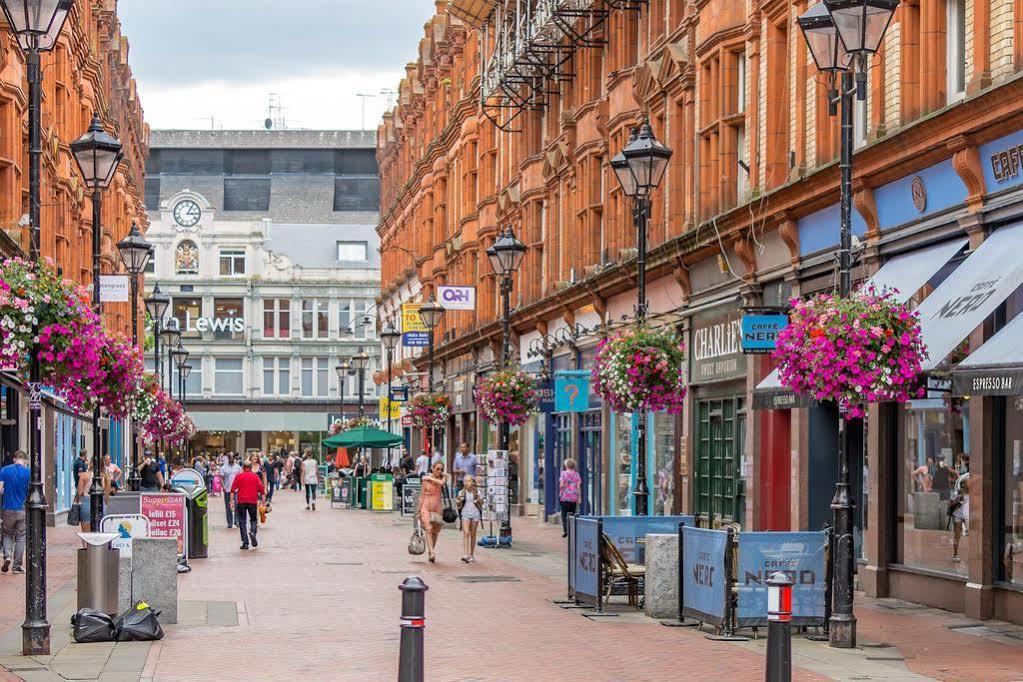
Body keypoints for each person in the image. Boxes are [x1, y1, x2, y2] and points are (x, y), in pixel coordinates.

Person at [0, 451, 30, 574]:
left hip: (8, 508)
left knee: (7, 534)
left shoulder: (4, 470)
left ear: (14, 459)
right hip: (22, 509)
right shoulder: (28, 472)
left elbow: (0, 489)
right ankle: (17, 566)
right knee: (21, 537)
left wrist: (4, 492)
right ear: (25, 460)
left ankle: (7, 556)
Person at [417, 460, 448, 563]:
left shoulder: (443, 477)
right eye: (437, 468)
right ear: (433, 468)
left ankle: (431, 551)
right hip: (426, 505)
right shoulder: (425, 480)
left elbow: (442, 483)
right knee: (428, 528)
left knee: (435, 530)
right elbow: (421, 496)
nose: (439, 471)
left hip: (437, 506)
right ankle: (432, 551)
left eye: (441, 469)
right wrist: (418, 510)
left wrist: (429, 477)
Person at [230, 461, 264, 550]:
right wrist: (263, 503)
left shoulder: (239, 476)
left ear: (243, 467)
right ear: (251, 467)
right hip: (252, 501)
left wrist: (231, 501)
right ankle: (253, 532)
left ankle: (245, 542)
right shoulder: (255, 476)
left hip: (241, 501)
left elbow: (233, 489)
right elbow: (262, 490)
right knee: (253, 519)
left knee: (242, 521)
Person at [457, 474, 483, 563]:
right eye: (465, 481)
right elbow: (458, 505)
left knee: (473, 534)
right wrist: (459, 501)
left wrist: (479, 501)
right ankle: (466, 554)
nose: (466, 483)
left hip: (475, 514)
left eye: (468, 481)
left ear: (473, 482)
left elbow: (481, 503)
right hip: (465, 514)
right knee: (466, 533)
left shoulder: (477, 492)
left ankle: (471, 554)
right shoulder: (461, 492)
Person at [558, 458, 582, 538]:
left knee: (564, 514)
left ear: (566, 465)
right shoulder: (577, 475)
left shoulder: (563, 474)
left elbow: (561, 485)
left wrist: (564, 486)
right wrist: (579, 498)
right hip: (573, 497)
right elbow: (578, 487)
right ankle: (571, 530)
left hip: (564, 497)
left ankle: (566, 530)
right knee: (572, 514)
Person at [220, 455, 242, 529]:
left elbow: (241, 477)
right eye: (230, 458)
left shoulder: (238, 467)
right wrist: (223, 487)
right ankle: (229, 522)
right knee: (228, 506)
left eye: (233, 457)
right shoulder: (223, 468)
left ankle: (237, 521)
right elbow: (222, 478)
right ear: (228, 458)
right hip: (227, 489)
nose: (231, 459)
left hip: (236, 490)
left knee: (237, 505)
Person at [73, 450, 92, 532]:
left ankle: (85, 544)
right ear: (85, 455)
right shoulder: (80, 463)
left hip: (81, 488)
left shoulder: (77, 462)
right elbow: (80, 474)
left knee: (85, 526)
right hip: (83, 489)